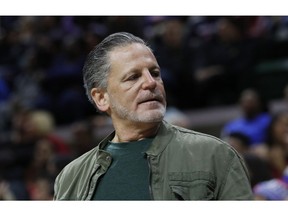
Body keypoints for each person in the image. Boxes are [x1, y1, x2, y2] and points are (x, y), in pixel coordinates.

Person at [53, 32, 253, 200]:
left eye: (155, 73)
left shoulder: (214, 155)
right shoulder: (71, 178)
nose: (151, 83)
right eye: (133, 77)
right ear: (101, 98)